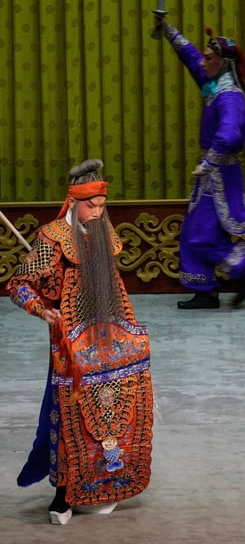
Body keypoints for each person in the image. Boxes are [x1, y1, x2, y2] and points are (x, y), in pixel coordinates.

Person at [7, 160, 153, 525]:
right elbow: (18, 284)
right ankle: (63, 495)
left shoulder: (103, 231)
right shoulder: (51, 237)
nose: (98, 212)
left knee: (117, 410)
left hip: (113, 334)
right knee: (67, 417)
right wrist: (41, 310)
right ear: (74, 202)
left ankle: (106, 483)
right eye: (92, 206)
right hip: (71, 341)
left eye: (103, 205)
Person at [155, 15, 245, 309]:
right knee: (194, 232)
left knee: (199, 234)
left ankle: (242, 272)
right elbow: (191, 58)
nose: (203, 62)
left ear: (222, 62)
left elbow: (229, 133)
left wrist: (209, 162)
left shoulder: (230, 97)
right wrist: (168, 31)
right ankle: (205, 291)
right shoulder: (214, 86)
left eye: (208, 58)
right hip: (211, 174)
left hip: (220, 173)